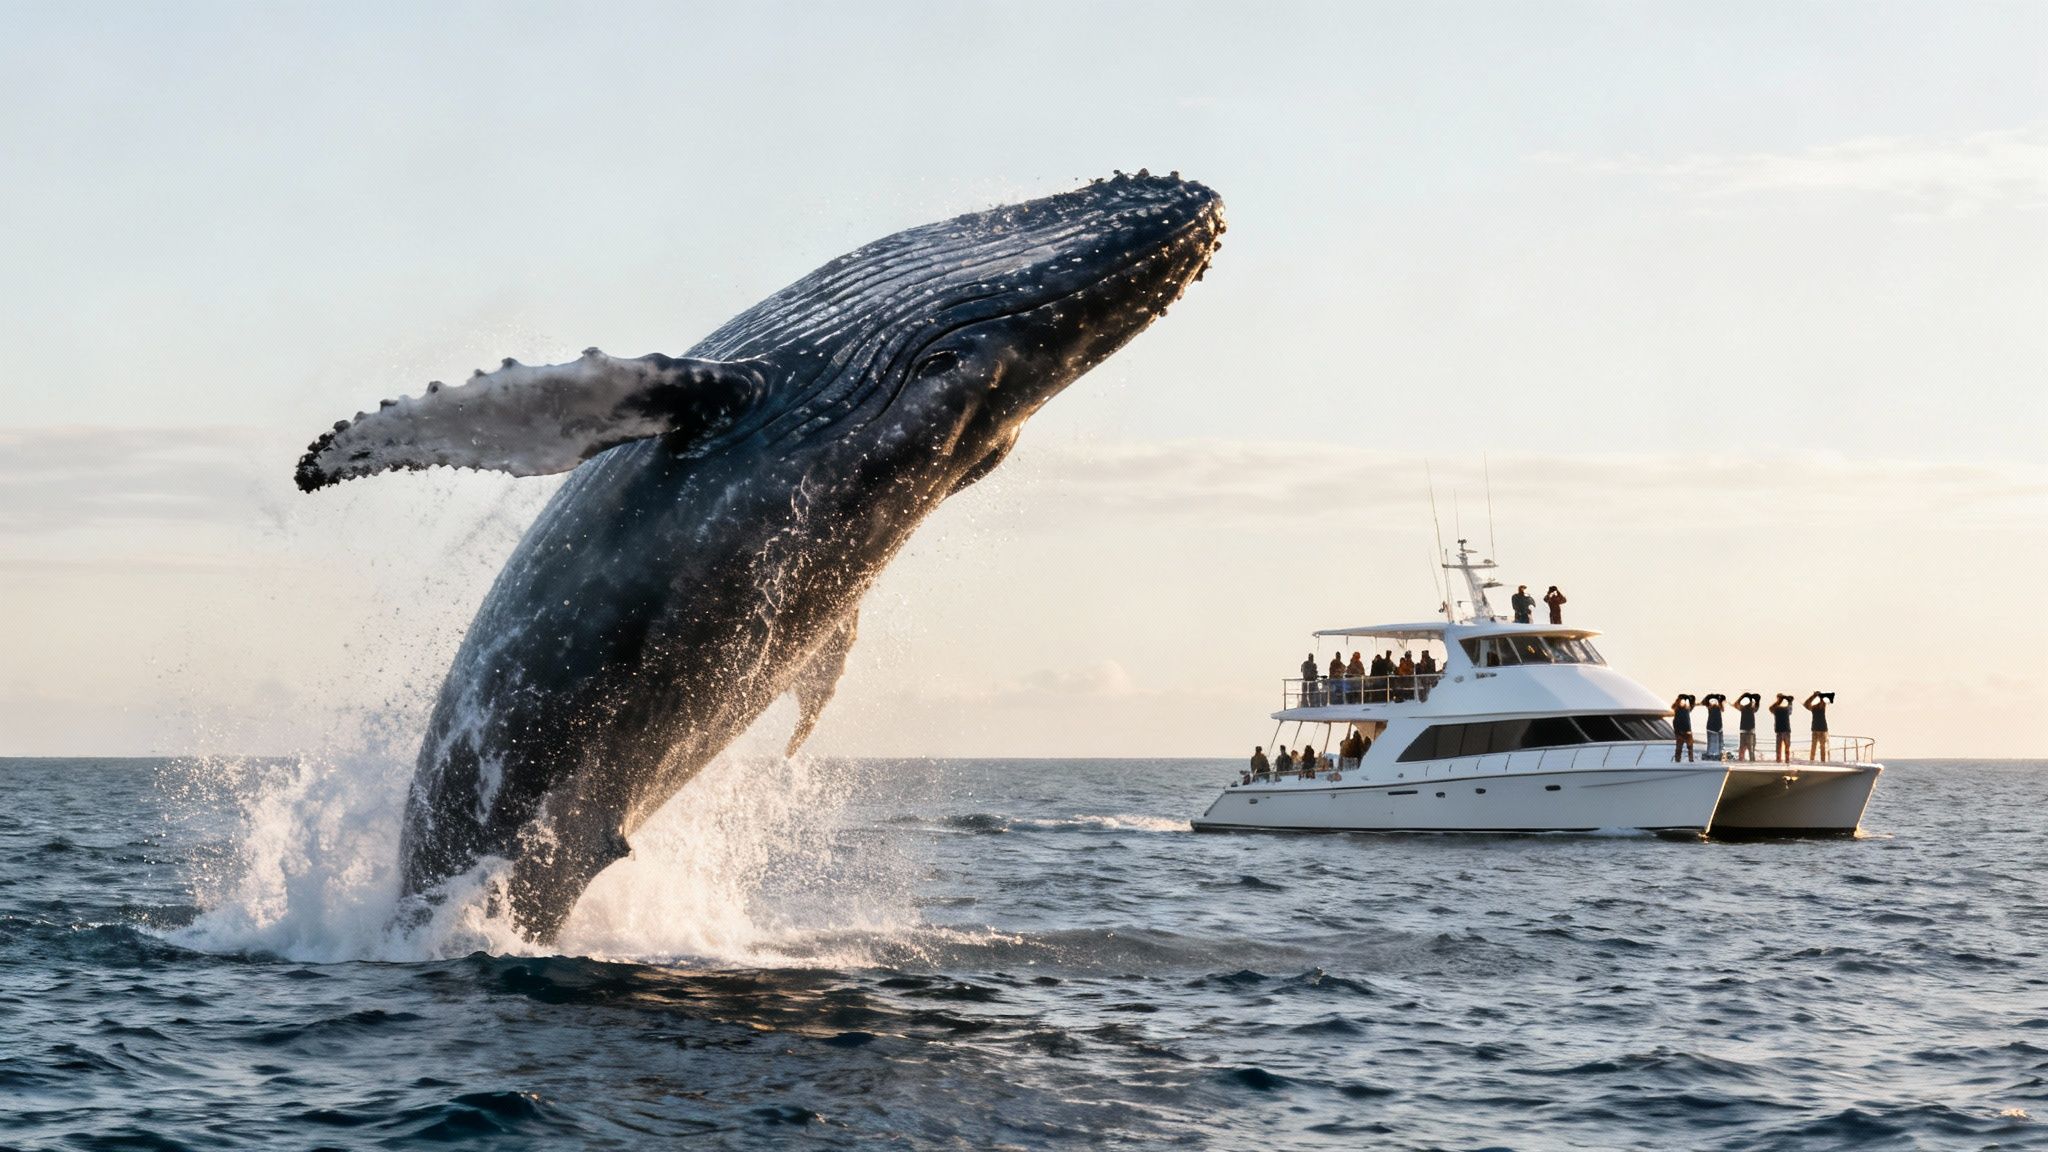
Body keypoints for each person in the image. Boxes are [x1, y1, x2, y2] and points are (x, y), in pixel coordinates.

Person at [1805, 691, 1832, 762]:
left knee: (1819, 747)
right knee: (1816, 747)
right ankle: (1813, 760)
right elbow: (1806, 704)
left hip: (1820, 729)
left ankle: (1820, 761)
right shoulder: (1816, 707)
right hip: (1818, 729)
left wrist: (1815, 696)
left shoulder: (1820, 706)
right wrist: (1814, 695)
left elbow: (1807, 704)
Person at [1734, 692, 1760, 762]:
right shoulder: (1749, 708)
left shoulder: (1745, 708)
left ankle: (1743, 763)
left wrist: (1742, 697)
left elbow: (1735, 704)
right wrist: (1757, 701)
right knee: (1750, 751)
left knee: (1743, 750)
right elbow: (1757, 706)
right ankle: (1749, 763)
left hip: (1746, 732)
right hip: (1749, 732)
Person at [1700, 693, 1726, 761]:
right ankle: (1709, 757)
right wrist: (1709, 696)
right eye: (1712, 701)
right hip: (1711, 728)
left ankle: (1717, 757)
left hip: (1719, 728)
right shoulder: (1709, 706)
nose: (1714, 703)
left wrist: (1719, 699)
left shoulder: (1719, 706)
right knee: (1712, 747)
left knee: (1720, 746)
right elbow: (1702, 702)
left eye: (1715, 701)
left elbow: (1723, 709)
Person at [1770, 693, 1794, 763]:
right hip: (1784, 730)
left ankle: (1782, 761)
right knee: (1784, 748)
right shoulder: (1781, 709)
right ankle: (1785, 761)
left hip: (1782, 731)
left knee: (1781, 748)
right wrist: (1788, 700)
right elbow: (1790, 708)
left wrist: (1781, 700)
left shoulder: (1777, 709)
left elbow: (1771, 708)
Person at [1671, 693, 1695, 762]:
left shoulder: (1687, 708)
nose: (1683, 702)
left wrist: (1688, 698)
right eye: (1681, 701)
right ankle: (1677, 760)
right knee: (1679, 748)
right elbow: (1674, 706)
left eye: (1684, 701)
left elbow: (1692, 701)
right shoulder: (1676, 708)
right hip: (1679, 732)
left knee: (1690, 747)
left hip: (1688, 732)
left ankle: (1691, 760)